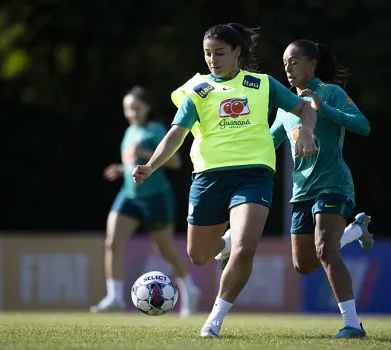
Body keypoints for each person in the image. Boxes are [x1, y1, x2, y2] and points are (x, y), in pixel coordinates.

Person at [132, 23, 317, 337]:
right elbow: (176, 133)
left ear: (237, 52)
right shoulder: (199, 90)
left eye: (219, 53)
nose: (212, 59)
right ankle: (225, 244)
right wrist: (151, 165)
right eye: (207, 54)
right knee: (199, 256)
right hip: (208, 178)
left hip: (254, 174)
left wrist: (308, 131)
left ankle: (214, 321)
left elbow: (304, 107)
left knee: (246, 248)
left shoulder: (262, 84)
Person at [273, 39, 371, 338]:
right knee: (304, 264)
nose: (287, 68)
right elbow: (267, 144)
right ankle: (355, 232)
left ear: (311, 64)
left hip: (333, 184)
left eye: (294, 61)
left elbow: (363, 126)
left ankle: (352, 324)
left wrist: (323, 107)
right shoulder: (285, 107)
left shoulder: (332, 92)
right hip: (302, 192)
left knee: (326, 250)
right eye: (285, 62)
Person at [90, 86, 200, 317]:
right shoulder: (130, 131)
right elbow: (133, 164)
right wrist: (122, 170)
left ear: (147, 107)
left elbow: (175, 163)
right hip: (130, 195)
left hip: (156, 196)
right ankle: (115, 297)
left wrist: (144, 151)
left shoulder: (156, 129)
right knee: (112, 243)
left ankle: (189, 289)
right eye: (127, 109)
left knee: (164, 249)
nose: (131, 113)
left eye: (136, 108)